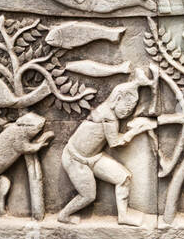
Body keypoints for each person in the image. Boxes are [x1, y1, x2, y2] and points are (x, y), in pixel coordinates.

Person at [57, 69, 157, 225]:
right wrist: (137, 130)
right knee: (88, 196)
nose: (128, 111)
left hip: (94, 157)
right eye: (127, 106)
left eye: (132, 108)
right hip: (75, 159)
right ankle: (64, 215)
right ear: (117, 99)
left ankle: (123, 217)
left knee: (123, 178)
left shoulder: (110, 115)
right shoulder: (107, 116)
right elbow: (115, 143)